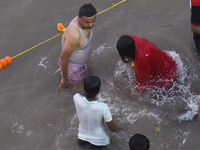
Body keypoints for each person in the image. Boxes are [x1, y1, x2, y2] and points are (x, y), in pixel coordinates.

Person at [73, 76, 123, 149]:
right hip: (99, 143)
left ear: (83, 87)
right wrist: (120, 129)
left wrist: (87, 90)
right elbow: (112, 128)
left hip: (81, 141)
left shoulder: (76, 97)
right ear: (98, 92)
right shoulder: (103, 107)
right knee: (112, 143)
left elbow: (82, 95)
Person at [59, 3, 97, 89]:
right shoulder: (74, 35)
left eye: (93, 21)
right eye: (87, 22)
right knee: (74, 89)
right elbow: (63, 58)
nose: (90, 25)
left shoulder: (86, 22)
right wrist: (65, 80)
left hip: (82, 64)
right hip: (73, 70)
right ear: (79, 18)